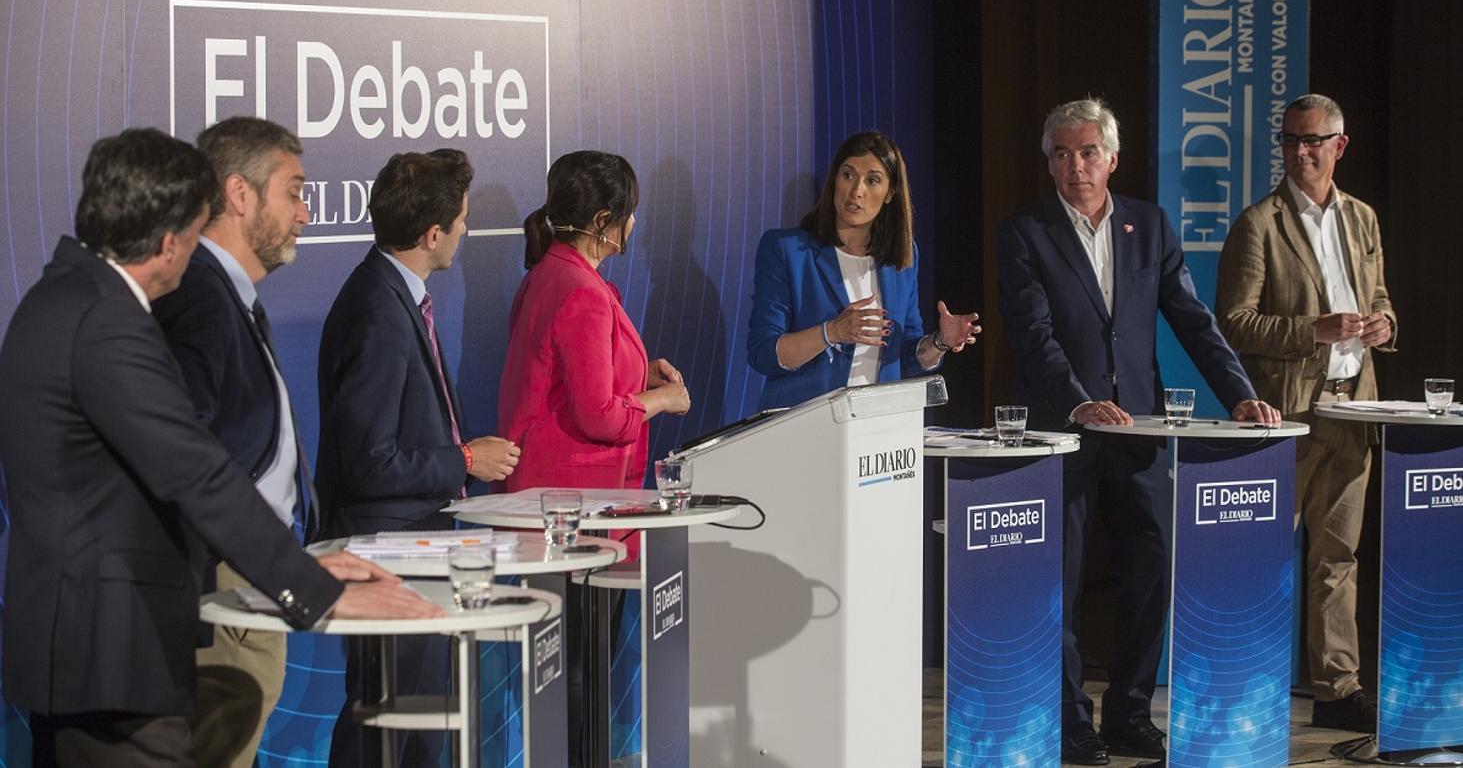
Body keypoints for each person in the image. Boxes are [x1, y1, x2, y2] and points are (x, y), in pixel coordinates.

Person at [0, 128, 439, 767]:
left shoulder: (68, 298)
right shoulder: (102, 321)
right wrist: (314, 588)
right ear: (174, 233)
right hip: (112, 654)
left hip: (98, 649)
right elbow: (195, 470)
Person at [995, 98, 1280, 765]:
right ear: (1048, 163)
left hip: (1140, 434)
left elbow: (1192, 319)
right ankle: (1068, 723)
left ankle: (1128, 713)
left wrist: (1239, 396)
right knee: (1056, 582)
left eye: (1087, 152)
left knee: (1150, 569)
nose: (1075, 166)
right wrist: (1079, 403)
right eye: (1060, 154)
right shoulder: (1023, 233)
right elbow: (1032, 335)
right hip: (1061, 434)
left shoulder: (1147, 226)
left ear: (1111, 159)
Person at [317, 148, 519, 766]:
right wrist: (463, 461)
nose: (465, 229)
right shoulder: (378, 311)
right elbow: (369, 463)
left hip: (413, 546)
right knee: (384, 724)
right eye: (460, 219)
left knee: (417, 723)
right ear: (432, 234)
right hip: (388, 551)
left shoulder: (391, 292)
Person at [1216, 94, 1395, 732]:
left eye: (1313, 140)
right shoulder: (1258, 223)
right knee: (1264, 555)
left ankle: (1336, 690)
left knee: (1337, 558)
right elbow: (1234, 323)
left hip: (1355, 408)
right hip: (1289, 414)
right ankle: (1243, 683)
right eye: (1291, 140)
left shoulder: (1363, 219)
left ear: (1338, 146)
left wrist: (1383, 325)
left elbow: (1379, 297)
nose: (1300, 151)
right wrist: (1311, 329)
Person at [153, 116, 317, 768]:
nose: (305, 213)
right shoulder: (197, 295)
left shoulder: (224, 292)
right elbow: (181, 452)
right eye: (294, 191)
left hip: (250, 575)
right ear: (240, 194)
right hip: (225, 583)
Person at [499, 149, 690, 493]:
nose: (633, 222)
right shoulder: (582, 292)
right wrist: (665, 399)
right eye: (629, 212)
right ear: (603, 220)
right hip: (569, 501)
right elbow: (600, 416)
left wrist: (638, 372)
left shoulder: (549, 273)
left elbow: (561, 373)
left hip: (544, 488)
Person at [747, 130, 980, 410]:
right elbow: (763, 353)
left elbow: (905, 357)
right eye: (848, 175)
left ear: (890, 193)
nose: (857, 190)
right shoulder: (787, 250)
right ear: (835, 179)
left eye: (873, 180)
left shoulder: (901, 259)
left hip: (875, 430)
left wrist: (940, 342)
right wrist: (831, 332)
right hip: (803, 426)